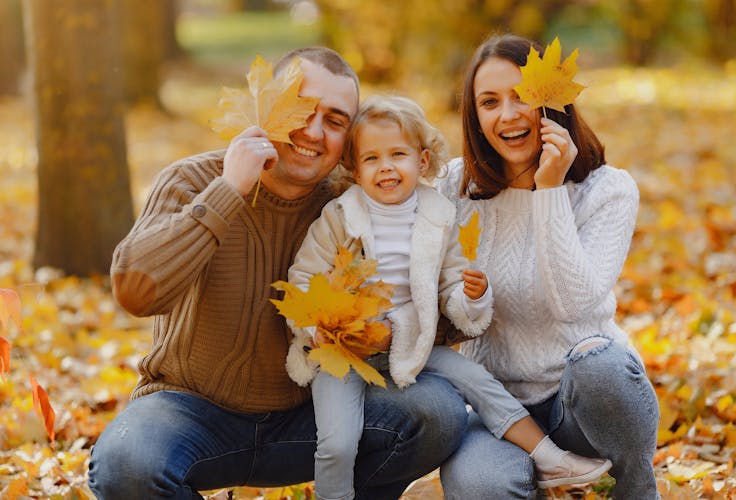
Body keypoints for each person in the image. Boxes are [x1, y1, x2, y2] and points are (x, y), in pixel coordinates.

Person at [87, 47, 471, 500]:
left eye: (334, 120)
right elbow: (135, 291)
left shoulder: (356, 206)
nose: (313, 131)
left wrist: (385, 332)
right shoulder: (195, 181)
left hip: (313, 416)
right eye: (301, 108)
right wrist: (230, 190)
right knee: (125, 465)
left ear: (348, 139)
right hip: (188, 412)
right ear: (269, 105)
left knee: (439, 413)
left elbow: (439, 307)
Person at [284, 94, 613, 500]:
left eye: (397, 154)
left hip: (411, 342)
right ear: (354, 168)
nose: (386, 166)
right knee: (336, 442)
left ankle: (549, 456)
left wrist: (471, 296)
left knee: (479, 380)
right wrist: (313, 325)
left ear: (421, 161)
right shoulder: (339, 217)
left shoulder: (436, 215)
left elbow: (450, 286)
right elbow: (303, 278)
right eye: (371, 159)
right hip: (341, 350)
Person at [435, 33, 660, 499]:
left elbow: (572, 306)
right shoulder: (456, 186)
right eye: (489, 102)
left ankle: (637, 490)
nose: (507, 115)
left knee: (604, 366)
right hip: (498, 409)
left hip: (581, 402)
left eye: (521, 96)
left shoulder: (607, 191)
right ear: (474, 117)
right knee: (479, 485)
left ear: (552, 101)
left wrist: (550, 189)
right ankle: (535, 481)